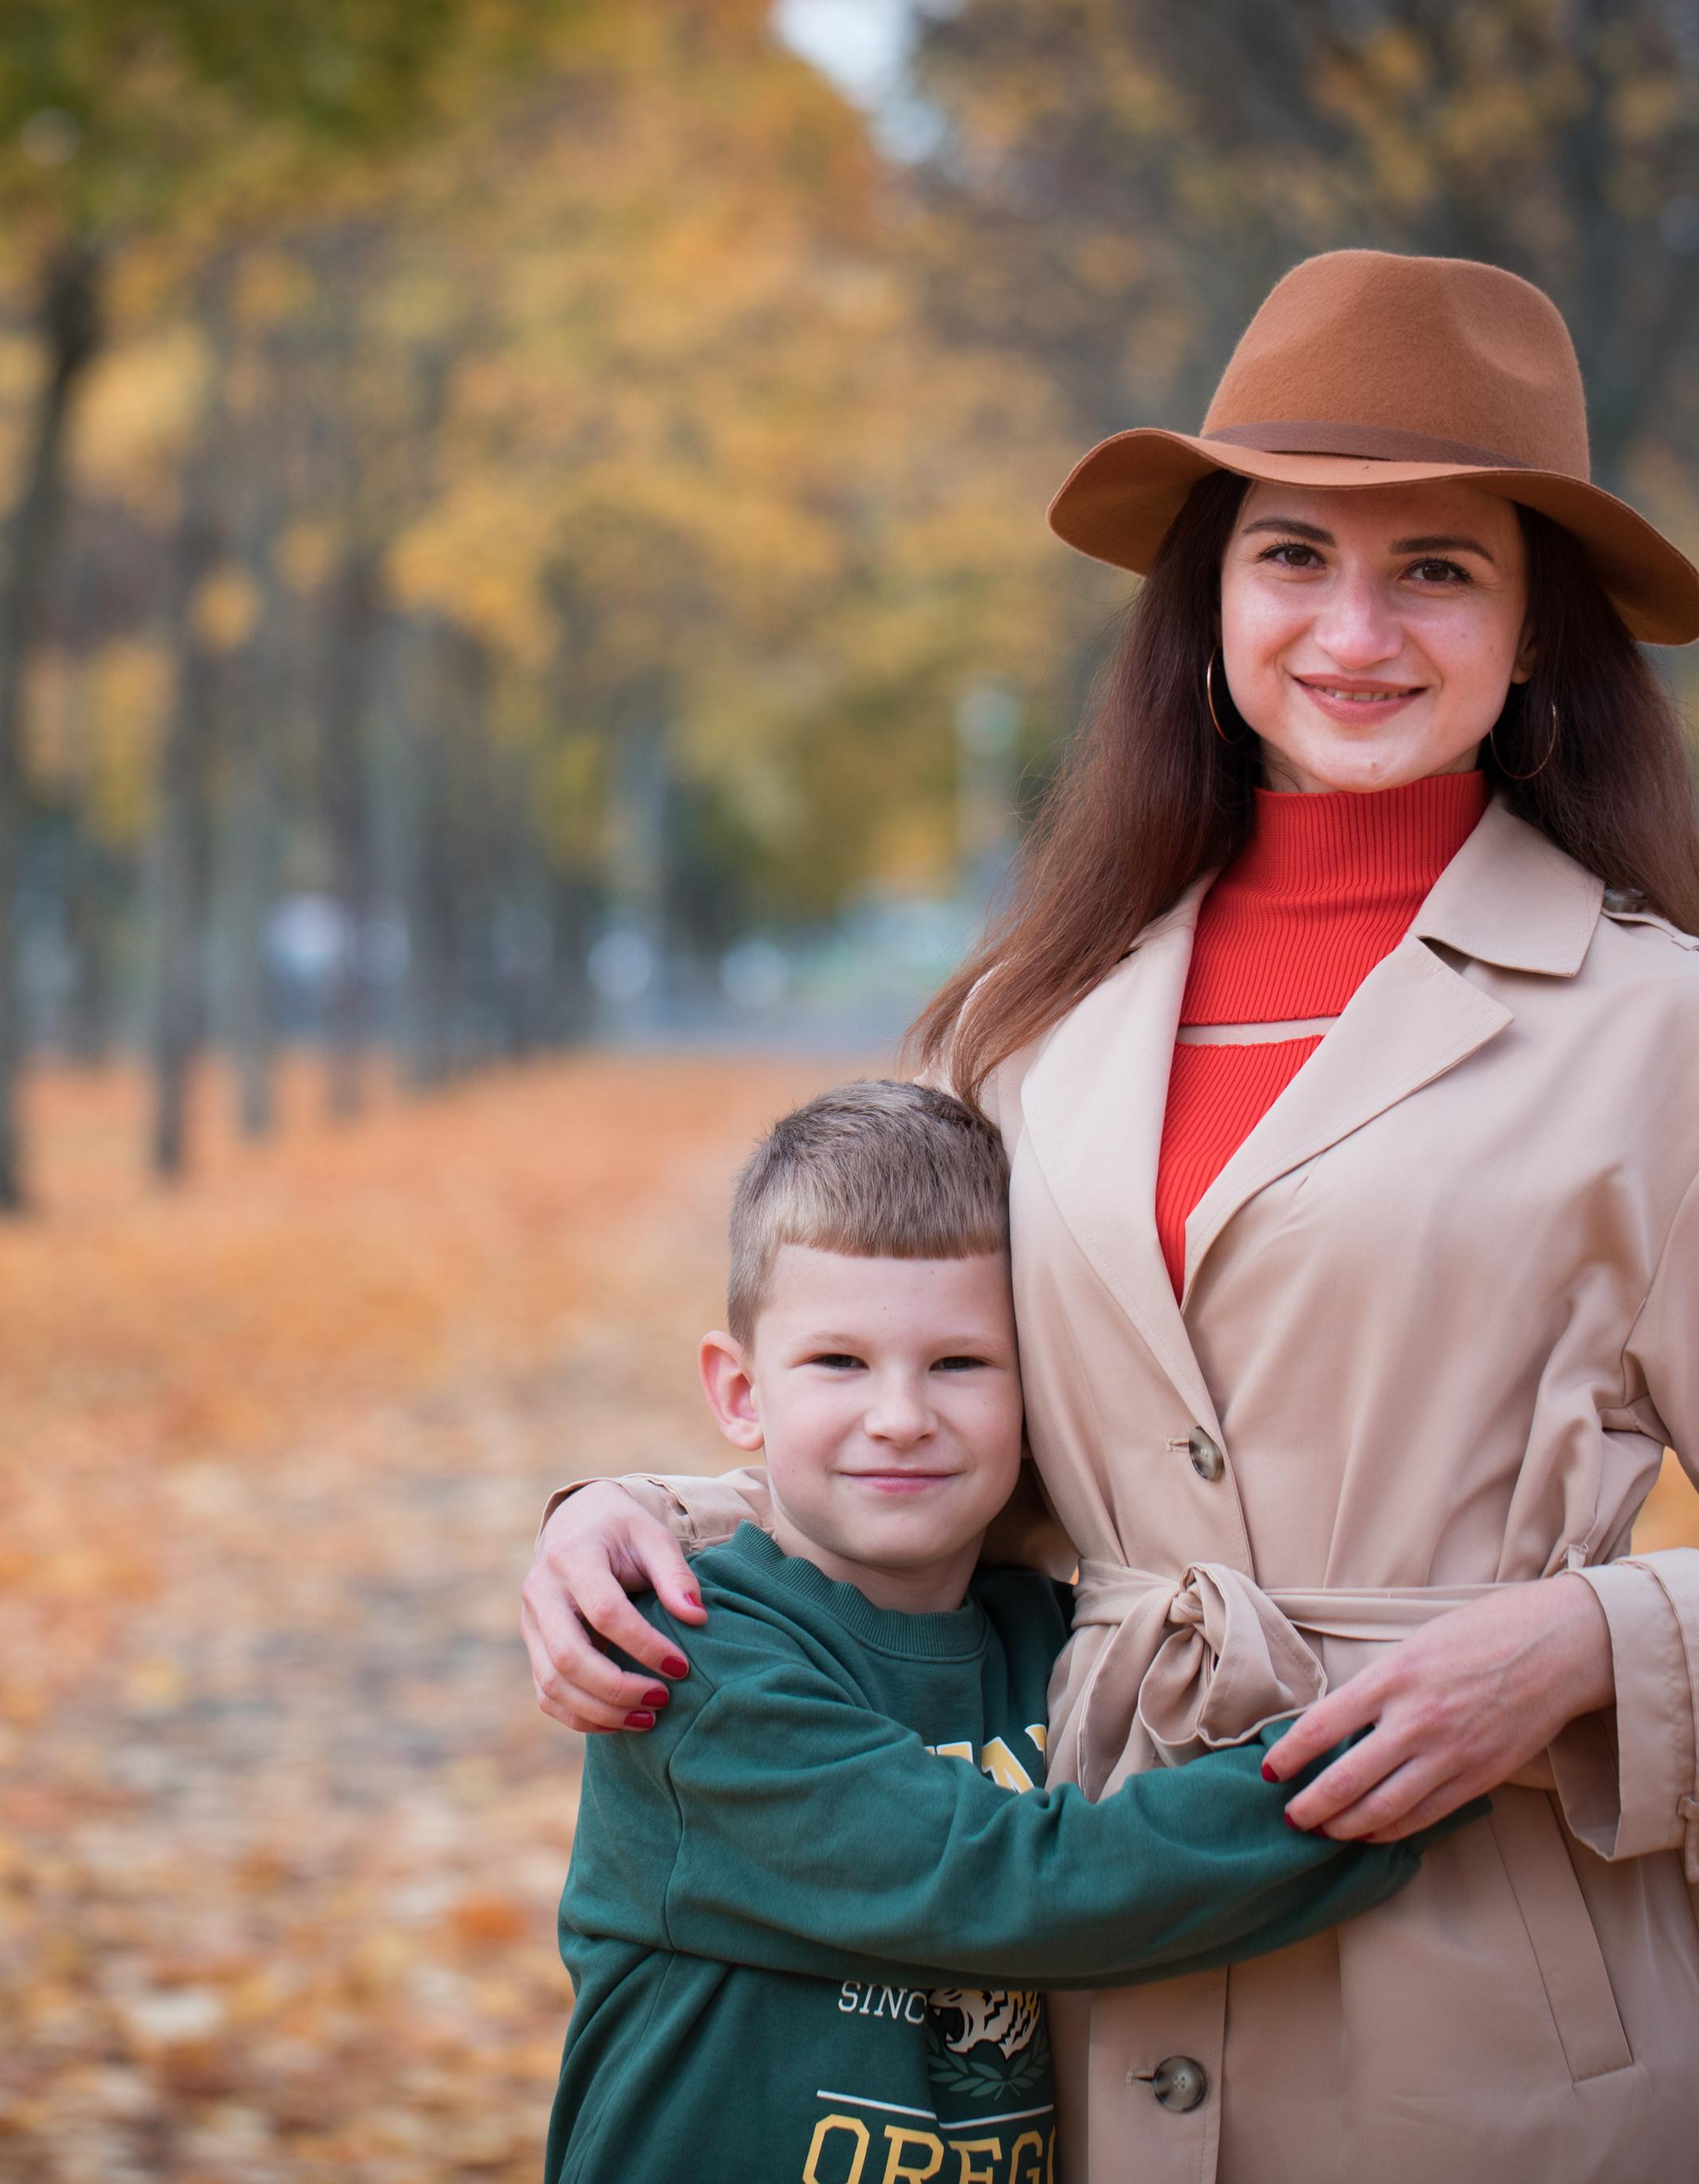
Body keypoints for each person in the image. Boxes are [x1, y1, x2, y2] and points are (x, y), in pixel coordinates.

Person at [522, 250, 1699, 2181]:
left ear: (1534, 629)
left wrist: (1587, 1639)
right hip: (1067, 2016)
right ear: (1207, 597)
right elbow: (962, 1427)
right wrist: (643, 1519)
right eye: (1291, 552)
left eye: (1437, 568)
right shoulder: (1035, 1020)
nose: (1352, 626)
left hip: (1498, 2015)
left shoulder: (1653, 1031)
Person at [550, 1080, 1466, 2184]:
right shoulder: (692, 1666)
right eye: (839, 1362)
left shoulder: (1058, 1639)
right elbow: (1011, 1885)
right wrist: (1399, 1770)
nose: (900, 1415)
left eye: (961, 1364)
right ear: (741, 1392)